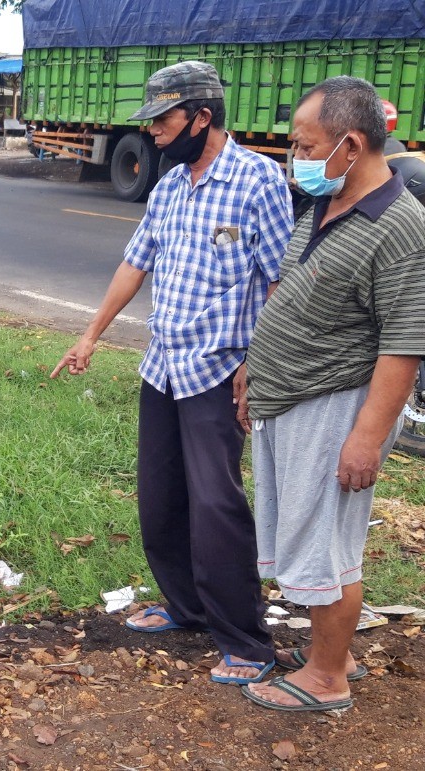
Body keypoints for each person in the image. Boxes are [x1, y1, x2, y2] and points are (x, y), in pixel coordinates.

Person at [50, 61, 294, 685]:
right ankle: (185, 608)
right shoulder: (167, 187)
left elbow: (280, 283)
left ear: (202, 117)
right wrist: (89, 335)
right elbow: (136, 265)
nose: (153, 131)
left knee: (216, 505)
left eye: (163, 119)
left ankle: (246, 639)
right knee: (160, 501)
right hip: (162, 368)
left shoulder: (257, 182)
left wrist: (257, 367)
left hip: (218, 371)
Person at [240, 76, 425, 712]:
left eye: (304, 143)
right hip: (291, 398)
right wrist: (255, 369)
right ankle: (333, 652)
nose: (297, 156)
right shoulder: (327, 201)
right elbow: (294, 291)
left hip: (336, 407)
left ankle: (326, 680)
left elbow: (404, 344)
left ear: (349, 144)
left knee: (326, 545)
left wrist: (367, 437)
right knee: (305, 533)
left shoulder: (401, 226)